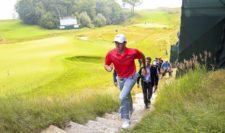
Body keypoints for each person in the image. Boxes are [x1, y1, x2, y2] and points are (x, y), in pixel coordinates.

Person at [104, 33, 146, 129]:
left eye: (119, 43)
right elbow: (106, 64)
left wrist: (143, 67)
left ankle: (126, 120)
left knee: (122, 97)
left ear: (125, 43)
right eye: (116, 43)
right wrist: (108, 68)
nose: (117, 45)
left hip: (132, 77)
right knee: (126, 95)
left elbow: (142, 56)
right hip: (120, 78)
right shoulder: (111, 54)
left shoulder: (133, 52)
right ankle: (130, 109)